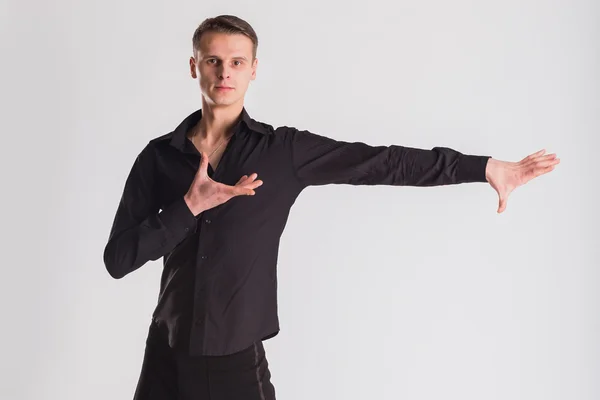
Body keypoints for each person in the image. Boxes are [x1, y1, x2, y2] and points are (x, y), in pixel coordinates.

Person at [103, 14, 560, 400]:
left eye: (237, 62)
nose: (225, 72)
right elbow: (118, 260)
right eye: (214, 61)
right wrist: (188, 205)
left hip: (235, 364)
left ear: (253, 70)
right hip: (164, 355)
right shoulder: (158, 158)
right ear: (194, 67)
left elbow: (383, 162)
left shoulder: (283, 152)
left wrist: (484, 168)